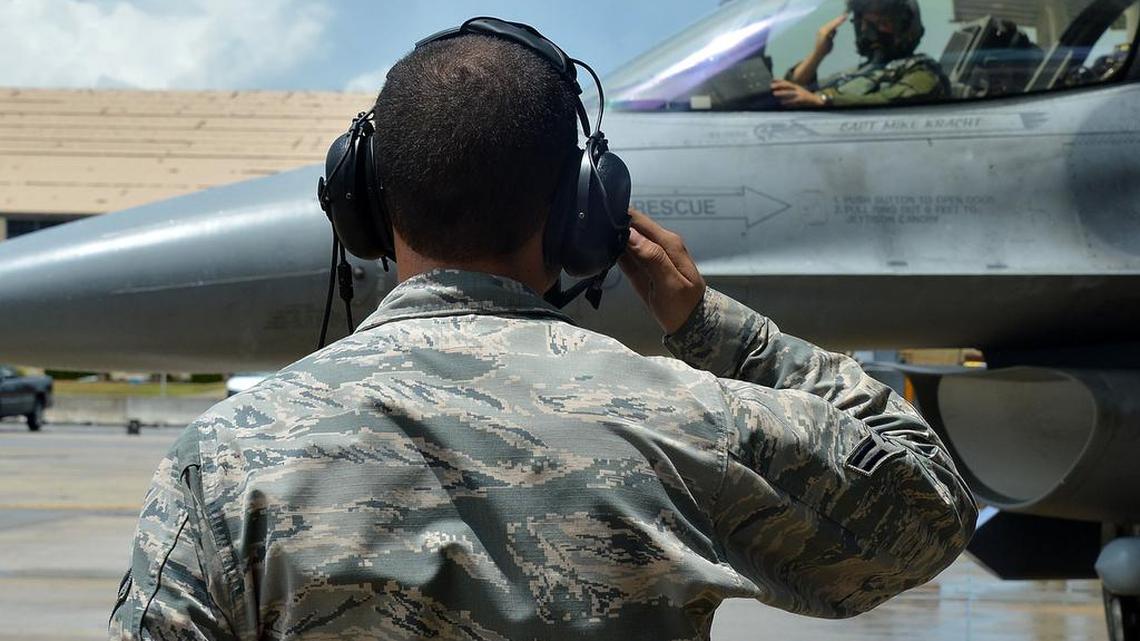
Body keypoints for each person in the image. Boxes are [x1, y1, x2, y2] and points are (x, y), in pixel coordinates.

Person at [109, 20, 976, 641]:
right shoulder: (684, 421)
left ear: (366, 202)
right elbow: (928, 502)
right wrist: (717, 331)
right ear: (582, 211)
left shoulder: (226, 457)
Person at [772, 0, 949, 108]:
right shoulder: (860, 73)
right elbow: (791, 93)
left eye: (881, 22)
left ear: (905, 27)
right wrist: (818, 53)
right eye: (862, 23)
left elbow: (887, 102)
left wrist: (823, 101)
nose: (867, 32)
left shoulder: (923, 72)